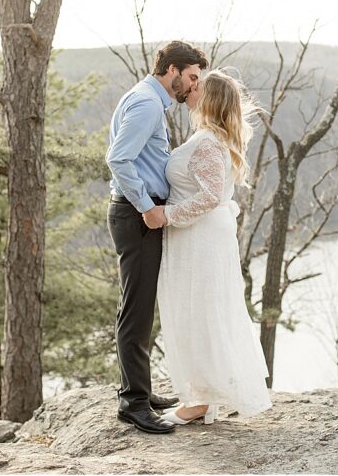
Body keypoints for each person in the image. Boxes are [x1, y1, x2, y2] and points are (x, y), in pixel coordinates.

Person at [157, 70, 272, 425]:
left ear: (210, 99)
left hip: (200, 238)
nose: (191, 89)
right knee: (198, 311)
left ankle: (201, 401)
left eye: (198, 87)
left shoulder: (207, 142)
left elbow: (209, 197)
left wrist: (165, 215)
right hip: (198, 236)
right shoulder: (208, 136)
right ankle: (203, 395)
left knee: (199, 313)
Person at [105, 40, 207, 434]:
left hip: (137, 215)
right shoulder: (148, 104)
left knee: (139, 306)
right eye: (192, 76)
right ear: (173, 70)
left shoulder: (148, 99)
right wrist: (148, 207)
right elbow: (118, 158)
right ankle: (132, 403)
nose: (193, 85)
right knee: (136, 309)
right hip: (136, 216)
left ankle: (140, 393)